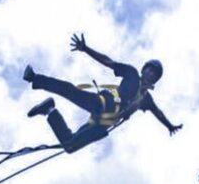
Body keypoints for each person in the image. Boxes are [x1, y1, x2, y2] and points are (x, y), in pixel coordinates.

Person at [22, 33, 182, 153]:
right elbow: (108, 62)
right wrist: (86, 49)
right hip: (103, 104)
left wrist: (169, 126)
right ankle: (35, 78)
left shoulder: (146, 98)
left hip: (103, 124)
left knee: (70, 146)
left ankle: (50, 110)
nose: (150, 74)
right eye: (149, 70)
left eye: (154, 74)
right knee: (70, 91)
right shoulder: (132, 74)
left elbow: (158, 112)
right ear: (144, 69)